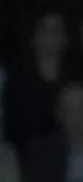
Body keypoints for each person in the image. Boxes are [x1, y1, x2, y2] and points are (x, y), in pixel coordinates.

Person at [4, 11, 72, 153]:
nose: (51, 34)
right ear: (33, 39)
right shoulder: (16, 86)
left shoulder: (76, 84)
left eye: (56, 29)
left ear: (65, 38)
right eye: (45, 29)